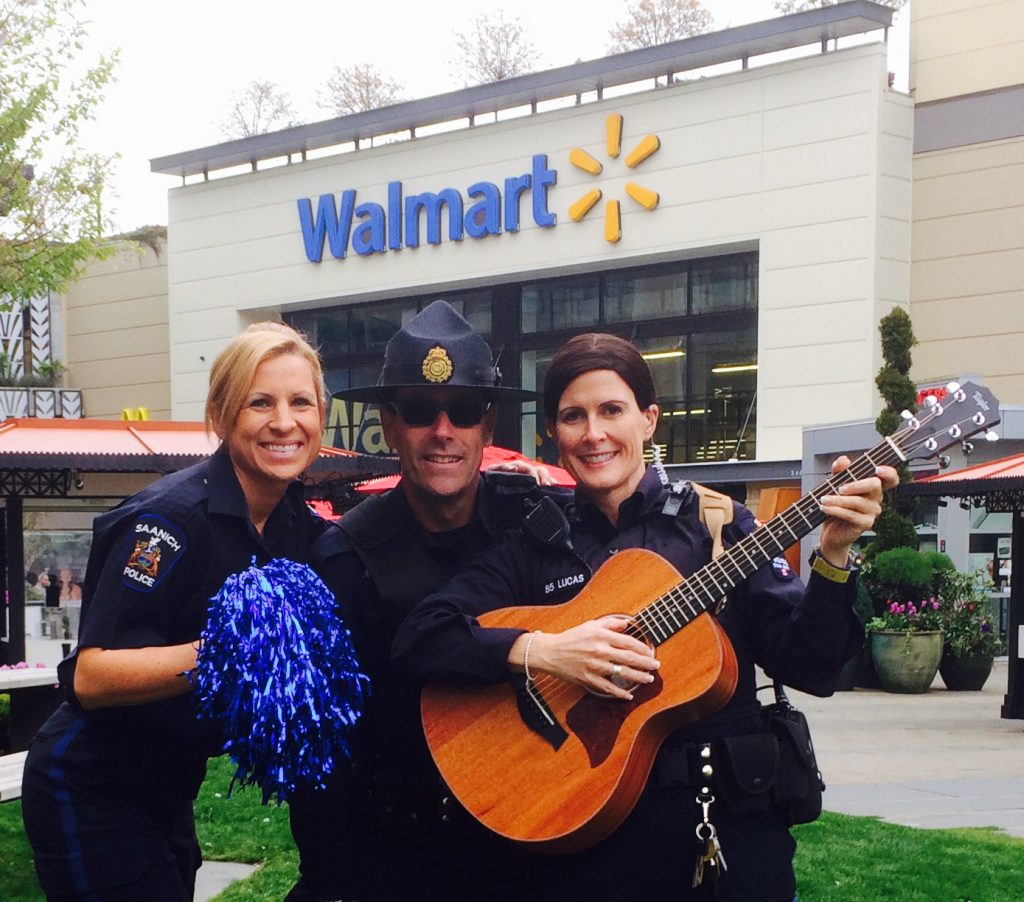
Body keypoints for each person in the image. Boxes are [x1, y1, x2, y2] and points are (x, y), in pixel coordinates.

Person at [393, 332, 898, 902]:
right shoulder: (534, 546)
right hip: (586, 846)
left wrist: (833, 554)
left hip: (724, 842)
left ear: (649, 419)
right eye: (573, 417)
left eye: (612, 410)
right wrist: (544, 651)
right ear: (554, 436)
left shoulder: (717, 527)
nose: (594, 433)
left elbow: (815, 669)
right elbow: (422, 635)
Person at [21, 322, 329, 902]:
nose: (284, 422)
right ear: (222, 412)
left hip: (169, 781)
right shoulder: (167, 520)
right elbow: (91, 677)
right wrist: (227, 652)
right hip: (90, 781)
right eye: (259, 402)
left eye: (301, 402)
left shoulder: (294, 524)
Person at [287, 300, 559, 902]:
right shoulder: (342, 558)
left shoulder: (533, 525)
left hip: (525, 844)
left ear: (488, 427)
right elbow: (317, 747)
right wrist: (331, 880)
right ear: (388, 424)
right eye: (418, 411)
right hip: (391, 857)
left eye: (463, 411)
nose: (443, 432)